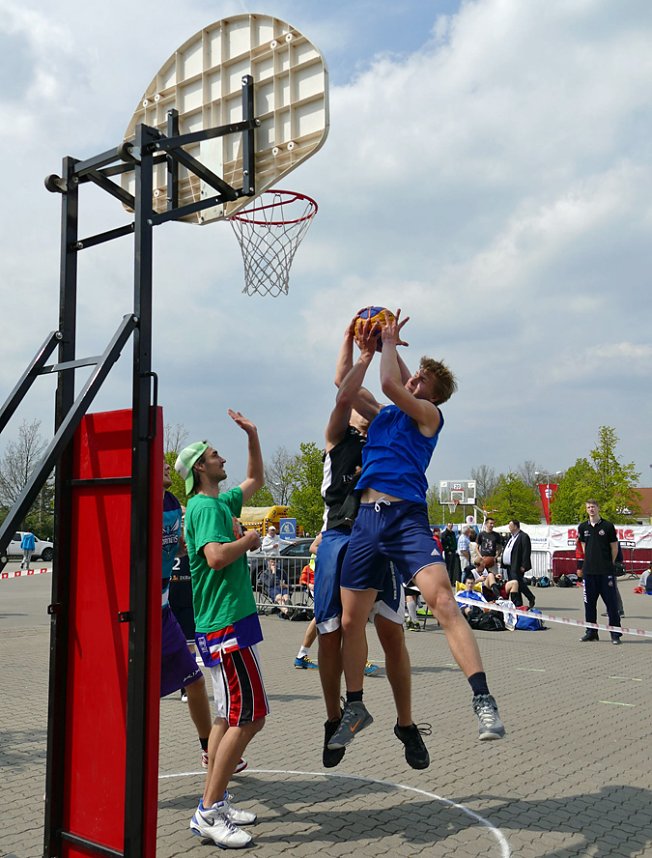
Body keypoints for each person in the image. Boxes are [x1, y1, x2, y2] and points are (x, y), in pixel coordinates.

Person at [330, 310, 505, 753]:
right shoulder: (385, 416)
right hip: (367, 521)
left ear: (432, 393)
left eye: (422, 378)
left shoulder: (428, 417)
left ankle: (482, 698)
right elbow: (343, 388)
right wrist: (362, 349)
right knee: (352, 619)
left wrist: (388, 343)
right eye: (416, 373)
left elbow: (394, 383)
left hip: (407, 519)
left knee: (442, 599)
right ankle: (356, 705)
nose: (414, 379)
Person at [316, 317, 431, 770]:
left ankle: (405, 723)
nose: (366, 402)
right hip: (339, 534)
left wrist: (387, 346)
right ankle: (335, 719)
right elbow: (343, 388)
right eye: (361, 400)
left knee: (391, 633)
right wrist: (353, 342)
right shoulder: (337, 437)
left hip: (376, 533)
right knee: (331, 634)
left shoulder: (390, 430)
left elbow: (402, 388)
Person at [175, 410, 267, 849]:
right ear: (200, 467)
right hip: (225, 624)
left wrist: (252, 435)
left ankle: (216, 800)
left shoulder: (214, 502)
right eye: (215, 455)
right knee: (250, 717)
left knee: (226, 717)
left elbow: (255, 479)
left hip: (227, 623)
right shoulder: (206, 506)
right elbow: (214, 556)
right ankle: (208, 811)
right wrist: (248, 541)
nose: (221, 458)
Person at [161, 462, 213, 767]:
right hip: (135, 615)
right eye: (161, 461)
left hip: (164, 610)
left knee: (194, 681)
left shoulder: (172, 504)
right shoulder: (135, 500)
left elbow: (176, 548)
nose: (167, 465)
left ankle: (209, 750)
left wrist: (190, 547)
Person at [576, 499, 622, 645]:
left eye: (593, 507)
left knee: (611, 604)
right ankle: (591, 632)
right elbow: (584, 547)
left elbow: (614, 547)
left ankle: (615, 634)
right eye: (588, 507)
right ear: (586, 509)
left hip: (605, 572)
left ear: (598, 508)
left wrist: (610, 563)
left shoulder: (607, 526)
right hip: (589, 572)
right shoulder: (583, 527)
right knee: (589, 604)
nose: (591, 509)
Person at [501, 520, 535, 609]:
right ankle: (517, 603)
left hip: (517, 565)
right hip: (509, 565)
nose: (509, 528)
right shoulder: (511, 537)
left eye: (510, 526)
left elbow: (526, 551)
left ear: (515, 526)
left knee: (518, 582)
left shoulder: (523, 536)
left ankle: (530, 596)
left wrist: (524, 565)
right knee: (514, 584)